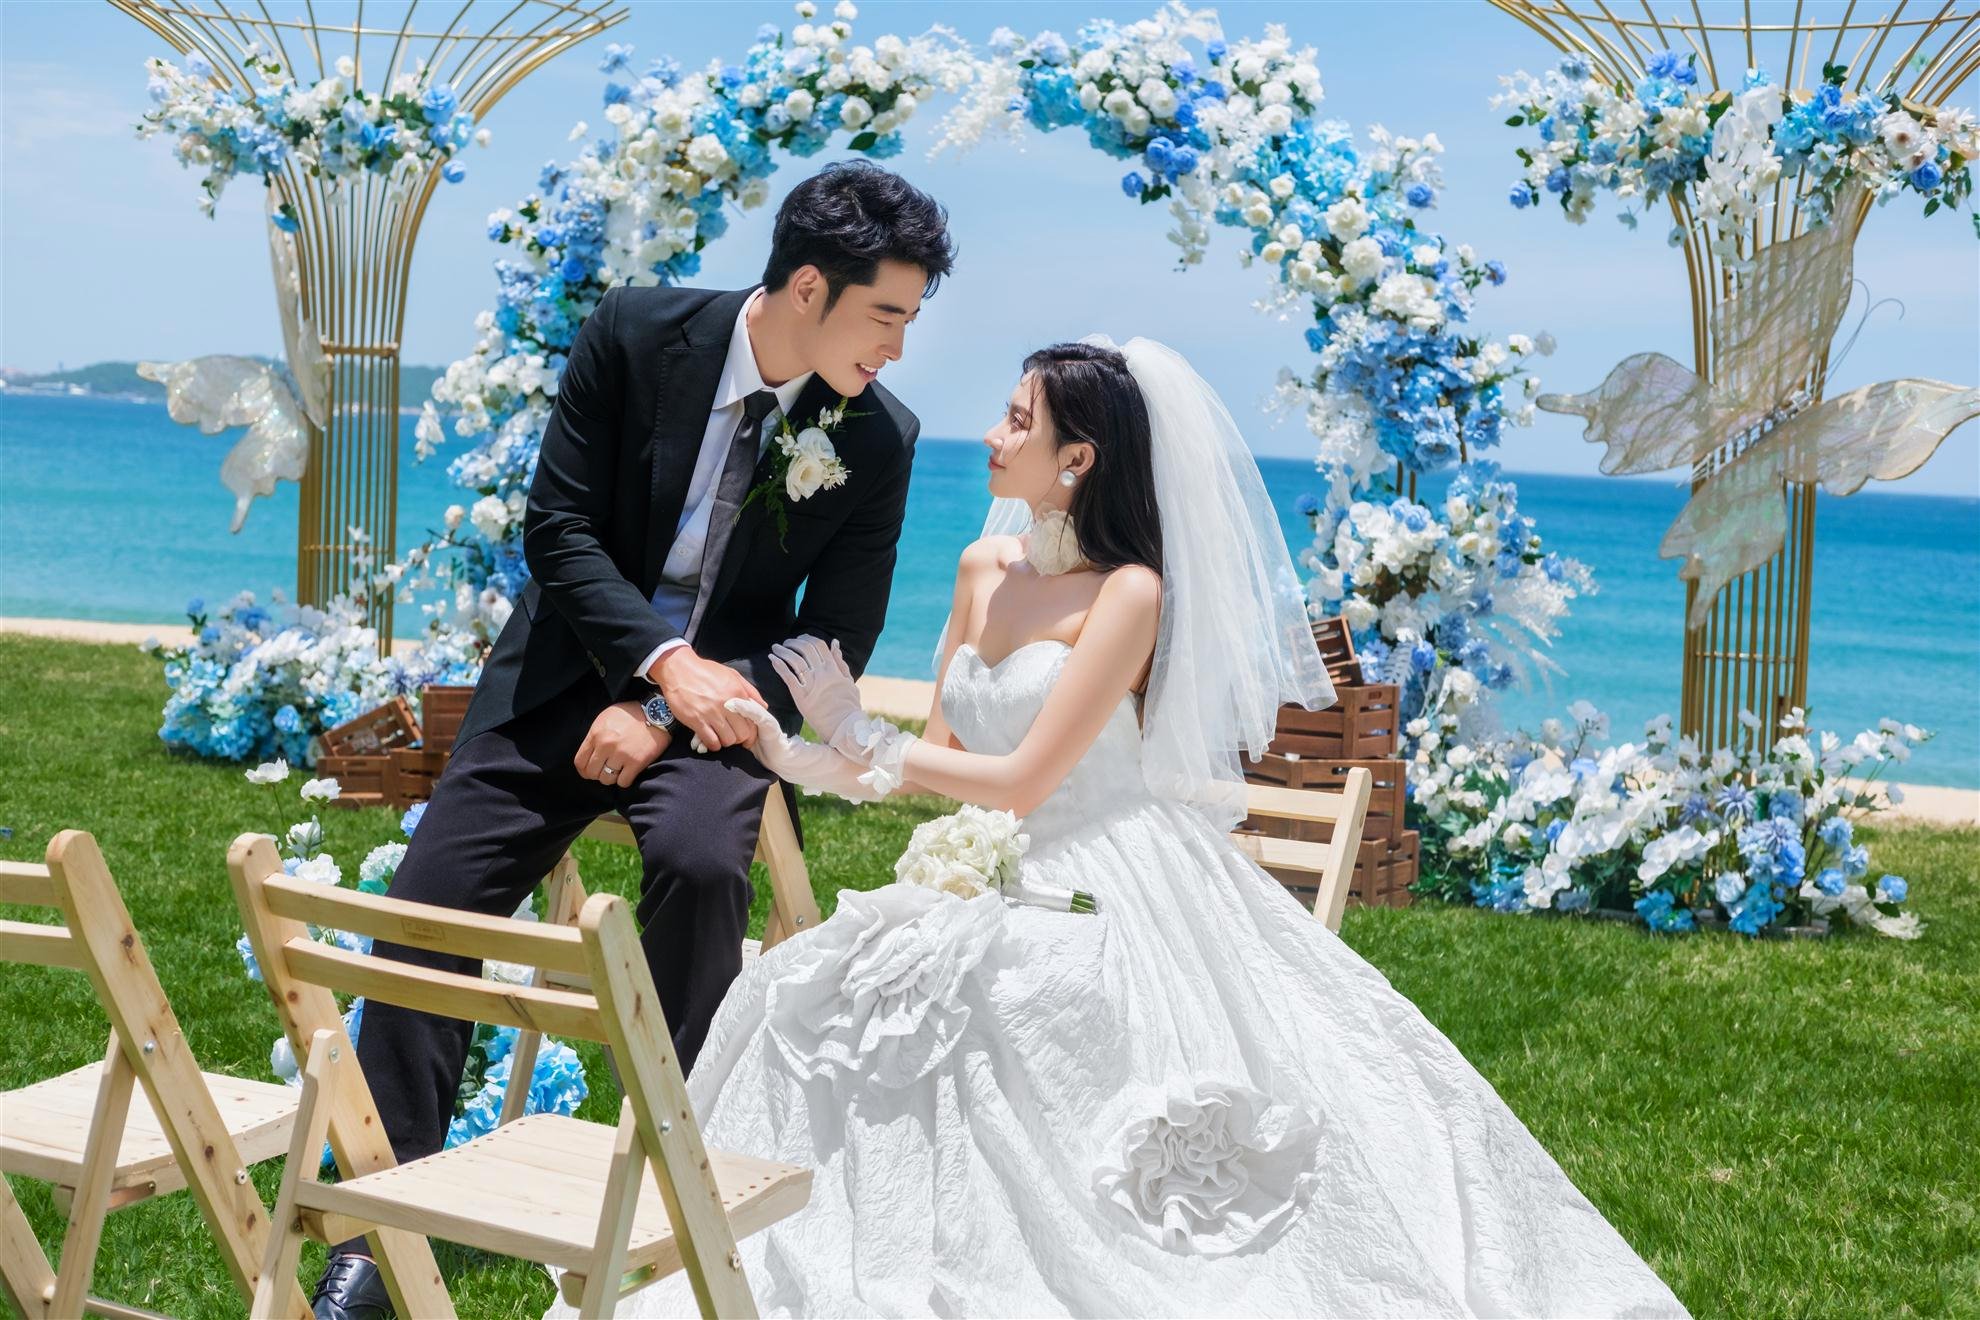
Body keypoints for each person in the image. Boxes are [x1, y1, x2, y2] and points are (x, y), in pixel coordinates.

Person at [558, 338, 1689, 1317]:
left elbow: (1021, 779)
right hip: (986, 867)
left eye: (1018, 421)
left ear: (1078, 459)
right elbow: (941, 759)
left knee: (1018, 1001)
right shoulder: (983, 568)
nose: (992, 435)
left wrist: (861, 730)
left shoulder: (1130, 593)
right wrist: (804, 752)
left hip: (1108, 870)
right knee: (809, 997)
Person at [307, 162, 955, 1320]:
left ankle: (676, 1187)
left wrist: (669, 710)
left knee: (704, 872)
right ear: (810, 287)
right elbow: (557, 531)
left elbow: (834, 639)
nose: (899, 346)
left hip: (722, 719)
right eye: (887, 315)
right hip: (560, 680)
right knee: (425, 910)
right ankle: (373, 1234)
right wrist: (656, 666)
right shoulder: (634, 332)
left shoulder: (879, 437)